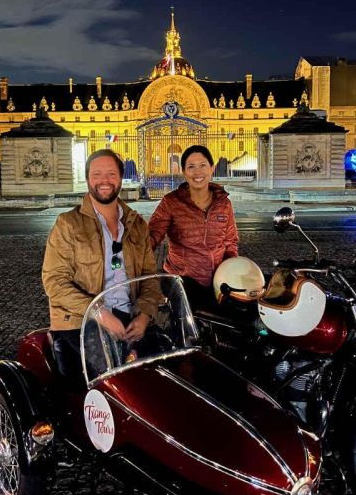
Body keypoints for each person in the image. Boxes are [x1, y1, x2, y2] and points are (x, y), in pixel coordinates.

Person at [42, 149, 159, 385]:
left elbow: (150, 277)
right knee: (113, 379)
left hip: (130, 316)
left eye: (111, 174)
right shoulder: (68, 224)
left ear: (120, 178)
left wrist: (145, 314)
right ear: (87, 180)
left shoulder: (137, 224)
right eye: (97, 174)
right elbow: (54, 282)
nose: (104, 181)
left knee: (171, 363)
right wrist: (98, 312)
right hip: (80, 322)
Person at [148, 145, 239, 311]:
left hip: (218, 280)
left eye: (203, 165)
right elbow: (153, 234)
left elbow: (230, 241)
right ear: (184, 172)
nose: (198, 172)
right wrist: (136, 250)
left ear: (212, 168)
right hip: (182, 281)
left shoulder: (224, 203)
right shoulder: (171, 202)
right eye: (191, 167)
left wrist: (229, 271)